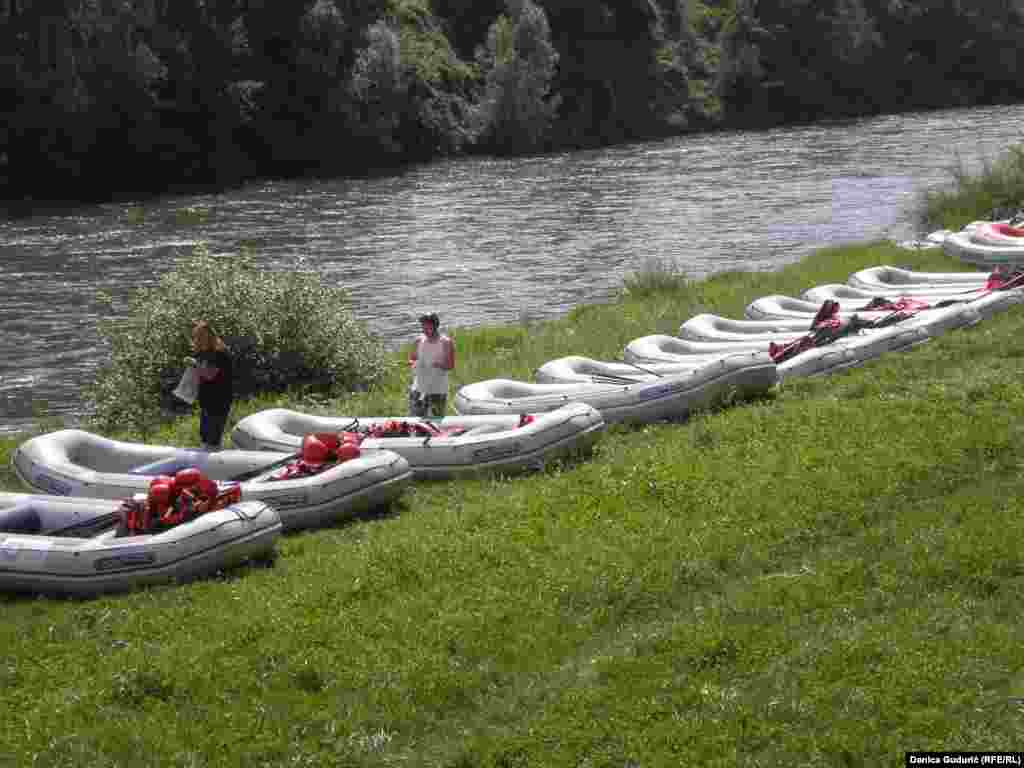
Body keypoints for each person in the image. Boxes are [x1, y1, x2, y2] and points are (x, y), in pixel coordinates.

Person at [190, 320, 234, 450]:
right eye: (197, 336)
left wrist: (194, 365)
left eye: (201, 336)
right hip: (206, 400)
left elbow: (210, 375)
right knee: (204, 436)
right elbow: (201, 375)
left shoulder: (220, 353)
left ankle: (215, 460)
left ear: (209, 336)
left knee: (213, 437)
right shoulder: (203, 353)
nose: (198, 340)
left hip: (219, 400)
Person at [408, 312, 455, 418]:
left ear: (435, 326)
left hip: (438, 389)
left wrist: (439, 365)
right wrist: (413, 363)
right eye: (423, 326)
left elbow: (450, 365)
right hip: (418, 388)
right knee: (415, 420)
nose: (425, 330)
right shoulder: (418, 340)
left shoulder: (446, 342)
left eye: (428, 326)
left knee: (437, 420)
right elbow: (412, 358)